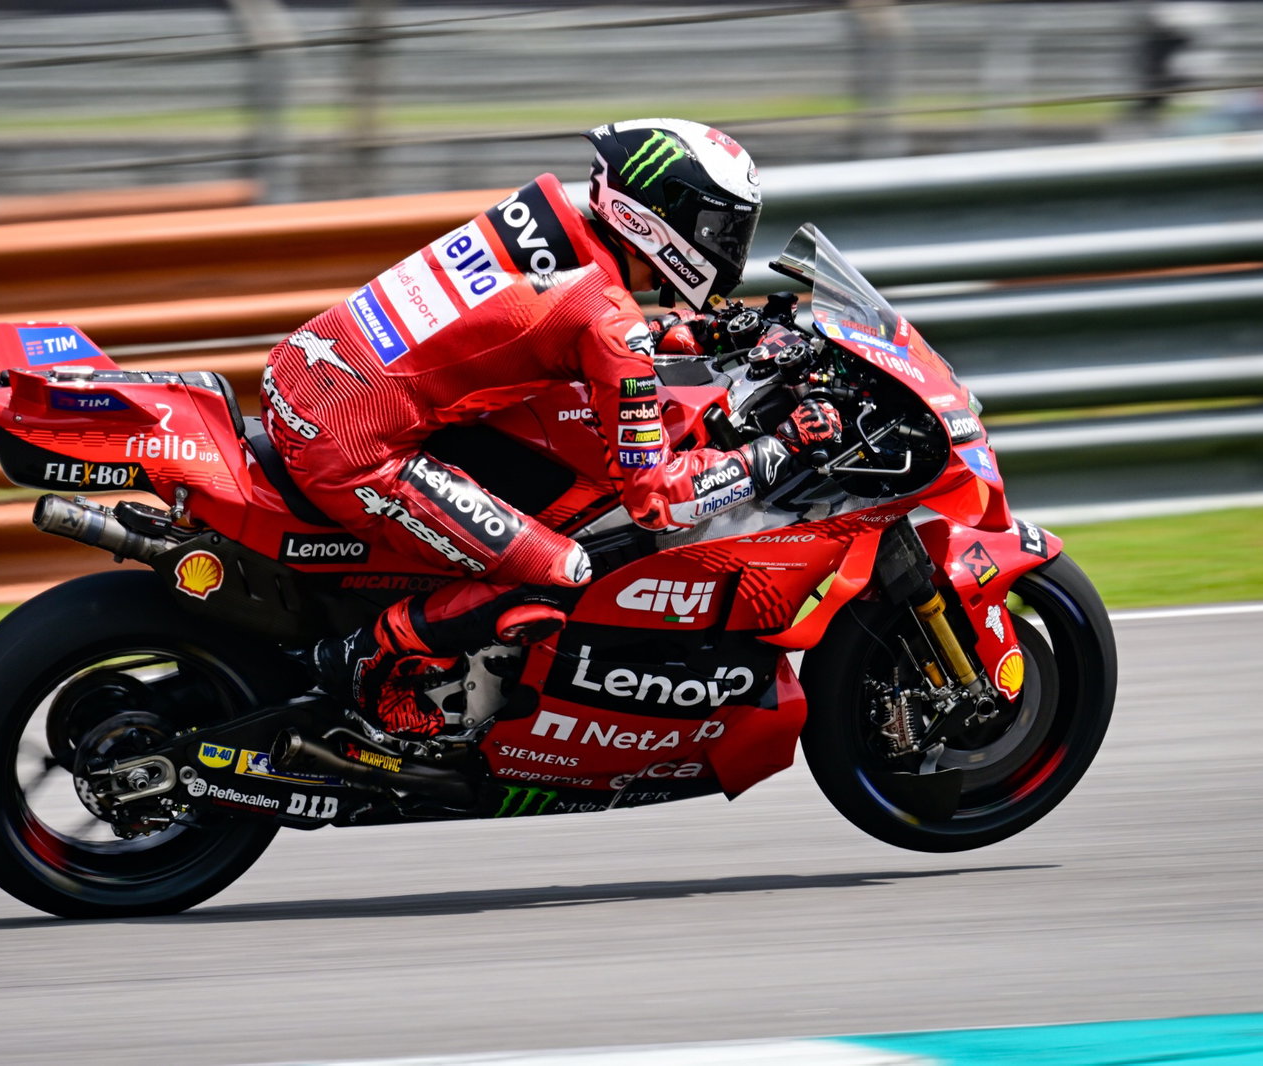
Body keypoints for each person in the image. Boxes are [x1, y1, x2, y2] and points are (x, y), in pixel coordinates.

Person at [260, 118, 839, 741]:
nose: (726, 246)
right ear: (656, 213)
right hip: (352, 447)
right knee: (566, 571)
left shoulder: (546, 215)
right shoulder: (608, 321)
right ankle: (362, 663)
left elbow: (536, 322)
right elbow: (654, 499)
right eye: (717, 229)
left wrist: (708, 333)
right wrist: (776, 452)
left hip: (302, 375)